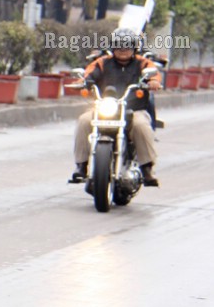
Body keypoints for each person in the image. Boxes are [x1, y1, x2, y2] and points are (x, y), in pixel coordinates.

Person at [69, 27, 162, 187]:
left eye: (127, 45)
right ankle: (81, 166)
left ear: (134, 47)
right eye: (119, 45)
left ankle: (147, 169)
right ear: (113, 46)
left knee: (141, 125)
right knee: (84, 120)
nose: (123, 49)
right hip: (105, 107)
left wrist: (153, 82)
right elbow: (89, 74)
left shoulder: (143, 63)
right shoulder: (102, 62)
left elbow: (154, 75)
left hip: (133, 109)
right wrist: (82, 82)